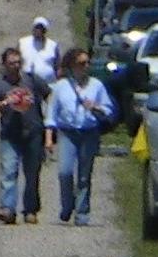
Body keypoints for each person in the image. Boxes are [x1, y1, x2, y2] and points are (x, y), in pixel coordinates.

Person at [44, 47, 116, 226]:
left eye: (87, 63)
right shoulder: (60, 87)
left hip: (89, 132)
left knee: (84, 175)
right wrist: (48, 138)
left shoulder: (97, 85)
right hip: (67, 133)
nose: (86, 66)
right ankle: (67, 205)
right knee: (65, 172)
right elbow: (52, 113)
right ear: (72, 66)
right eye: (81, 63)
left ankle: (82, 213)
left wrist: (96, 107)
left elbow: (108, 109)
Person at [0, 47, 51, 224]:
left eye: (18, 62)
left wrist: (48, 118)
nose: (15, 66)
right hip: (10, 134)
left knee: (32, 173)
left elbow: (49, 94)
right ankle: (7, 208)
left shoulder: (31, 80)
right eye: (11, 63)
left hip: (33, 132)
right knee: (8, 171)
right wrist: (6, 102)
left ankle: (30, 209)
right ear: (4, 64)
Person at [18, 16, 60, 82]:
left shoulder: (53, 45)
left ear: (45, 30)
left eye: (41, 28)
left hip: (48, 83)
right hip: (27, 83)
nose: (38, 30)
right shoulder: (22, 42)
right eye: (37, 27)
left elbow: (57, 66)